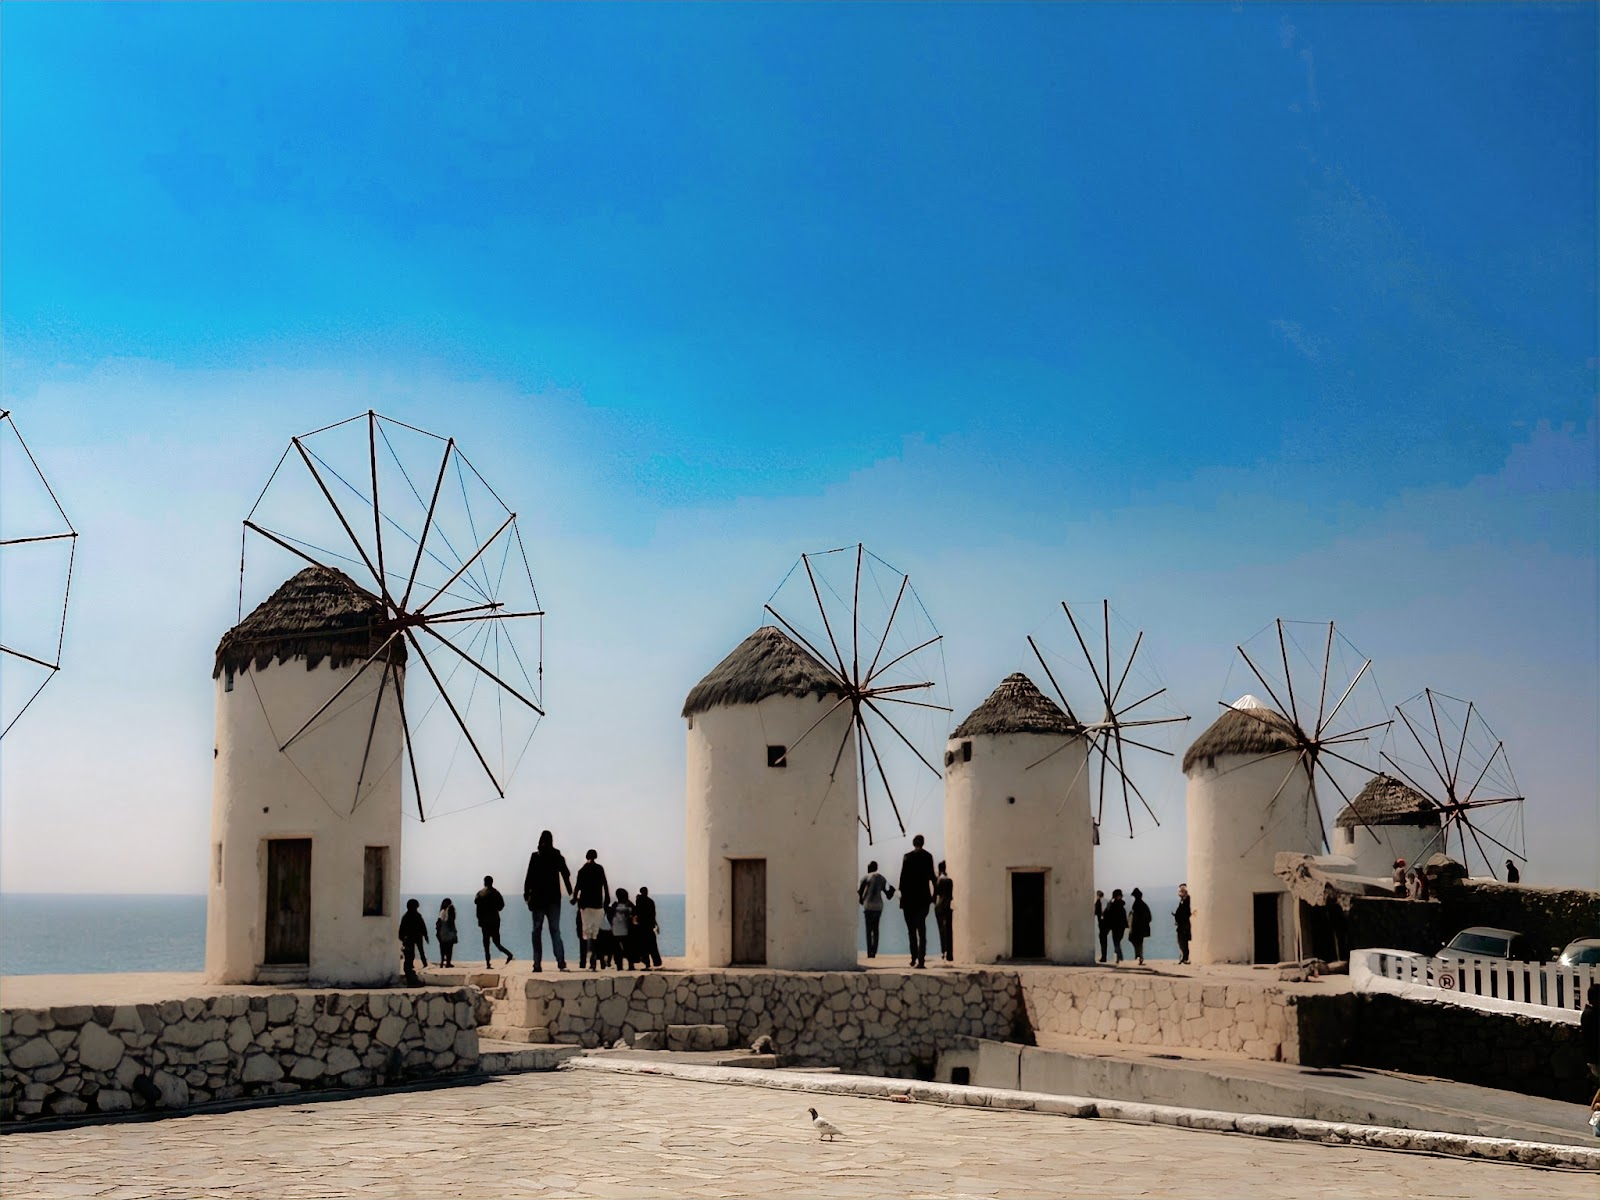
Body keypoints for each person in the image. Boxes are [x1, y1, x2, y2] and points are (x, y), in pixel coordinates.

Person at [522, 830, 573, 972]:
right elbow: (565, 874)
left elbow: (529, 876)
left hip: (538, 900)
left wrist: (526, 895)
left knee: (536, 931)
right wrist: (571, 893)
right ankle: (561, 962)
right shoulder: (556, 855)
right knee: (555, 930)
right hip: (553, 899)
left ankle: (537, 964)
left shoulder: (536, 856)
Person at [898, 834, 937, 968]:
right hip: (923, 898)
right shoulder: (928, 857)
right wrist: (934, 896)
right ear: (923, 843)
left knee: (911, 930)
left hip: (909, 899)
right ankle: (921, 959)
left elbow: (902, 880)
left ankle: (913, 957)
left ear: (913, 843)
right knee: (922, 929)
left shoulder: (907, 857)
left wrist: (902, 899)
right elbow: (932, 877)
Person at [572, 848, 610, 971]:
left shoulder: (582, 870)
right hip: (598, 903)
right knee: (595, 933)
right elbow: (605, 884)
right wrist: (607, 898)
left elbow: (578, 886)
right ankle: (598, 959)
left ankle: (592, 960)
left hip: (586, 904)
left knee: (587, 933)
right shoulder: (600, 869)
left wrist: (574, 898)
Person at [473, 875, 514, 969]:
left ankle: (488, 963)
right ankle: (508, 954)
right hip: (495, 919)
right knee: (496, 942)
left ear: (484, 882)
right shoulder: (496, 893)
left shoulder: (480, 894)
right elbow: (501, 906)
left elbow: (478, 909)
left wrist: (479, 920)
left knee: (486, 942)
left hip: (485, 921)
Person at [857, 860, 895, 959]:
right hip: (878, 905)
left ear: (869, 868)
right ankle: (874, 951)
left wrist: (861, 902)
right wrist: (892, 890)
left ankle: (869, 952)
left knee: (868, 930)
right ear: (876, 868)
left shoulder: (865, 877)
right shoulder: (882, 878)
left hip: (868, 905)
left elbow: (859, 892)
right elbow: (888, 894)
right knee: (876, 929)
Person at [398, 898, 429, 985]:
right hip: (415, 937)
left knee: (414, 952)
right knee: (414, 952)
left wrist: (401, 937)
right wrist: (425, 935)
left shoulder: (406, 916)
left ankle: (418, 964)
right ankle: (419, 964)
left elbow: (401, 929)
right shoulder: (416, 916)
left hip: (411, 937)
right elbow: (423, 926)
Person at [634, 886, 661, 969]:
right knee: (652, 945)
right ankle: (656, 962)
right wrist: (656, 924)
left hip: (642, 926)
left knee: (644, 946)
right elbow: (653, 914)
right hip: (649, 925)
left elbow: (637, 912)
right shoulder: (650, 901)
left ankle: (647, 963)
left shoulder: (640, 900)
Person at [610, 888, 637, 970]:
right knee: (629, 949)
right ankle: (630, 964)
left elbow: (609, 916)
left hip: (616, 930)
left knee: (617, 950)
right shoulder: (629, 906)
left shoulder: (614, 906)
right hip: (626, 930)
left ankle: (619, 966)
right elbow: (635, 914)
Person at [934, 861, 955, 963]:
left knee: (941, 930)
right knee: (949, 929)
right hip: (948, 906)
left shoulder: (938, 880)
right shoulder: (949, 881)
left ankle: (943, 951)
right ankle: (950, 954)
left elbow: (935, 895)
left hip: (940, 907)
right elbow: (951, 896)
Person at [1102, 889, 1128, 964]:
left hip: (1118, 926)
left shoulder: (1114, 904)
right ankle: (1119, 957)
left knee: (1117, 941)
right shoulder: (1113, 904)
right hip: (1115, 926)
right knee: (1116, 941)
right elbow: (1108, 914)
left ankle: (1119, 955)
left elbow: (1107, 914)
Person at [1129, 888, 1152, 966]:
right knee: (1139, 942)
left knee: (1136, 941)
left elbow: (1134, 917)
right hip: (1141, 928)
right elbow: (1149, 917)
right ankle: (1139, 956)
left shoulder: (1136, 905)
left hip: (1136, 928)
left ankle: (1139, 956)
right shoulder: (1143, 905)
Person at [435, 898, 458, 969]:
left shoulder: (443, 911)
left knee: (443, 947)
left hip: (444, 932)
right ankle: (447, 962)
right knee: (449, 948)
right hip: (448, 932)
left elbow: (439, 922)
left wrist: (438, 931)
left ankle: (443, 962)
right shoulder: (447, 911)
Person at [1174, 884, 1192, 965]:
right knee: (1181, 941)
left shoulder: (1185, 901)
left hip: (1183, 925)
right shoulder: (1183, 901)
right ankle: (1183, 957)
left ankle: (1185, 957)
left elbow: (1185, 913)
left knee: (1183, 941)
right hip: (1182, 924)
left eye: (1180, 892)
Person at [1094, 891, 1108, 963]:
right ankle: (1104, 956)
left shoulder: (1099, 902)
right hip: (1105, 924)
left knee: (1102, 940)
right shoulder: (1105, 901)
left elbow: (1096, 911)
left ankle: (1104, 957)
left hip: (1102, 924)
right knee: (1104, 940)